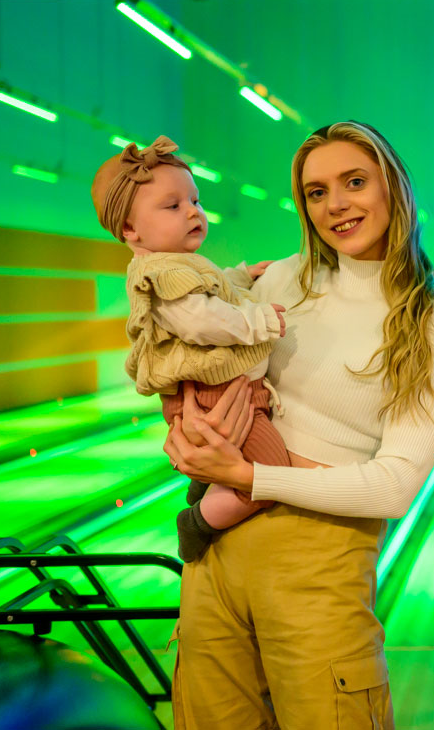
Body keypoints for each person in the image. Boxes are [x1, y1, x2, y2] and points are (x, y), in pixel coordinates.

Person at [160, 121, 434, 729]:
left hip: (320, 558)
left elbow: (392, 487)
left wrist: (249, 475)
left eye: (354, 181)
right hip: (216, 557)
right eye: (316, 192)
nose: (336, 205)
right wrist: (186, 431)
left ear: (393, 187)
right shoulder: (279, 281)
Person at [89, 135, 290, 564]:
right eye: (173, 205)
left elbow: (214, 292)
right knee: (274, 475)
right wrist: (263, 320)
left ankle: (205, 487)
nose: (193, 211)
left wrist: (241, 275)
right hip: (215, 395)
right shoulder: (161, 274)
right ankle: (198, 522)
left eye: (195, 201)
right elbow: (202, 321)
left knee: (253, 472)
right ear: (130, 229)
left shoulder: (179, 266)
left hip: (223, 392)